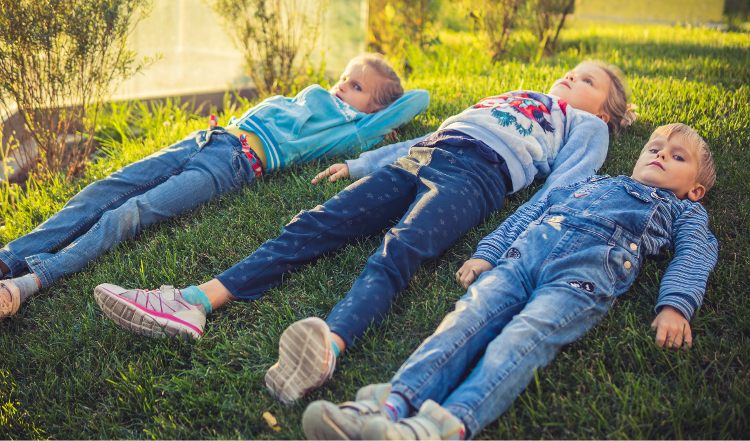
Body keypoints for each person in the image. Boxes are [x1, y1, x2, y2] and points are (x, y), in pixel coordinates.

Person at [94, 60, 636, 404]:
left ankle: (326, 347)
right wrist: (361, 165)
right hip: (428, 154)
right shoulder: (515, 97)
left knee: (397, 251)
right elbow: (431, 133)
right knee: (316, 223)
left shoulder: (583, 127)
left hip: (478, 179)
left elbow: (559, 189)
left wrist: (503, 247)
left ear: (608, 112)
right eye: (573, 71)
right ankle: (195, 300)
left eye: (589, 80)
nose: (572, 78)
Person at [301, 123, 718, 441]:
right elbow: (527, 216)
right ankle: (390, 407)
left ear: (695, 190)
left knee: (522, 338)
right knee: (465, 320)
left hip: (581, 278)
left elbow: (696, 254)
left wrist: (674, 306)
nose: (661, 155)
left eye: (677, 157)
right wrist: (487, 254)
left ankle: (436, 427)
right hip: (521, 259)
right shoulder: (592, 182)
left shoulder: (682, 211)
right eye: (655, 148)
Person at [0, 53, 429, 319]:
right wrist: (356, 89)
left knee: (129, 213)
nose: (342, 86)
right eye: (345, 77)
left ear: (374, 112)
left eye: (357, 87)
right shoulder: (314, 97)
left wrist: (379, 117)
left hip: (234, 166)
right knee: (103, 189)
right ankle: (9, 258)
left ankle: (30, 282)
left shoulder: (350, 130)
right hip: (210, 137)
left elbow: (417, 100)